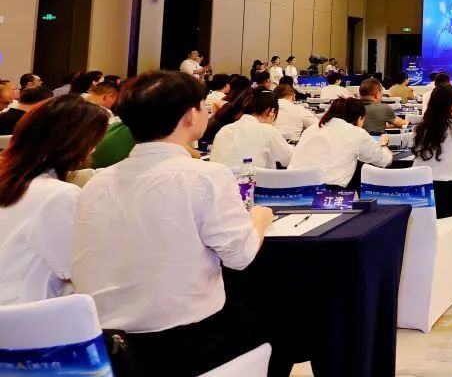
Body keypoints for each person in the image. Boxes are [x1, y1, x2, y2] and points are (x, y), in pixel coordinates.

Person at [72, 71, 273, 376]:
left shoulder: (97, 183)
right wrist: (259, 218)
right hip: (186, 341)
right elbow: (240, 256)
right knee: (279, 311)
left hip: (105, 346)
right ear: (190, 115)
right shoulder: (206, 176)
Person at [0, 96, 107, 305]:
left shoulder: (14, 181)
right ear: (72, 143)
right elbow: (75, 268)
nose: (93, 150)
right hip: (28, 312)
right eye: (93, 142)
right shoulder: (57, 194)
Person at [290, 98, 393, 189]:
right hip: (327, 193)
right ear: (359, 118)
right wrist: (383, 144)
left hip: (292, 188)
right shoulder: (356, 133)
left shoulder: (311, 129)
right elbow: (384, 161)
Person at [209, 90, 293, 169]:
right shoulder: (267, 130)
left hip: (223, 178)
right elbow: (288, 160)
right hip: (255, 179)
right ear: (272, 111)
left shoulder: (224, 129)